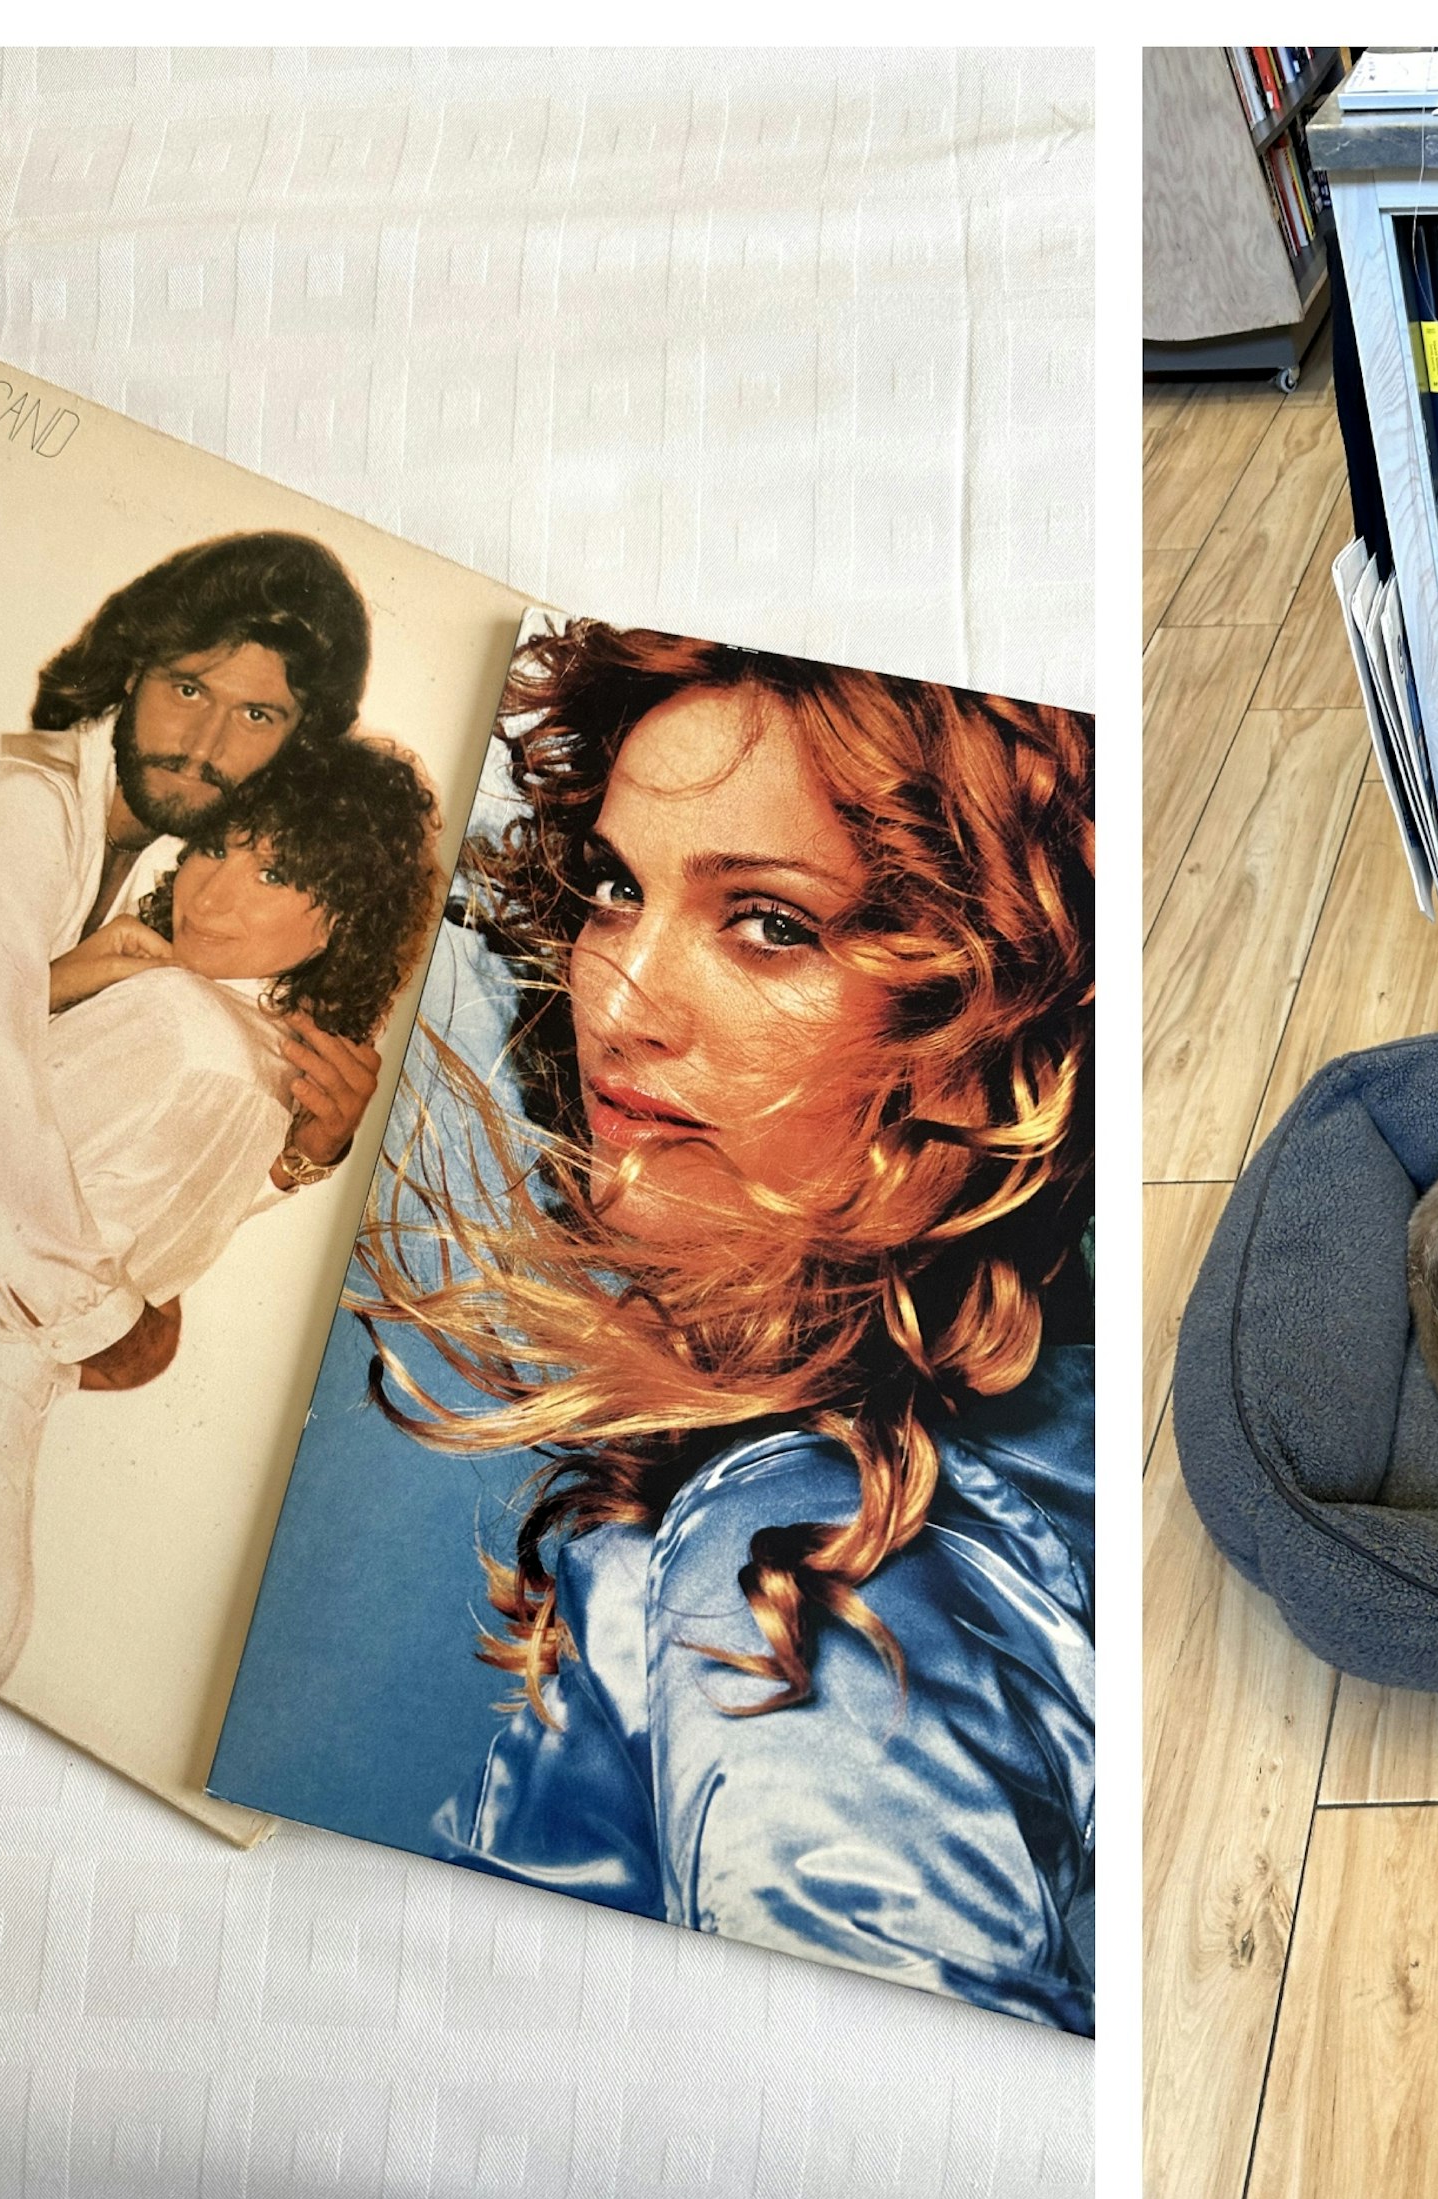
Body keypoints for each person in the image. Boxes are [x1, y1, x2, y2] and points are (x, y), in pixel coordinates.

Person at [357, 622, 1097, 2033]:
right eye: (616, 892)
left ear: (995, 1015)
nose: (621, 1007)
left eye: (771, 923)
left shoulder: (796, 1565)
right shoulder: (1035, 1427)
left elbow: (892, 2127)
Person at [0, 532, 396, 1683]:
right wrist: (120, 1328)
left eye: (256, 717)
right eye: (190, 687)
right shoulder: (8, 811)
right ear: (130, 669)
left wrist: (304, 1155)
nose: (207, 744)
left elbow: (111, 1149)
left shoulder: (144, 895)